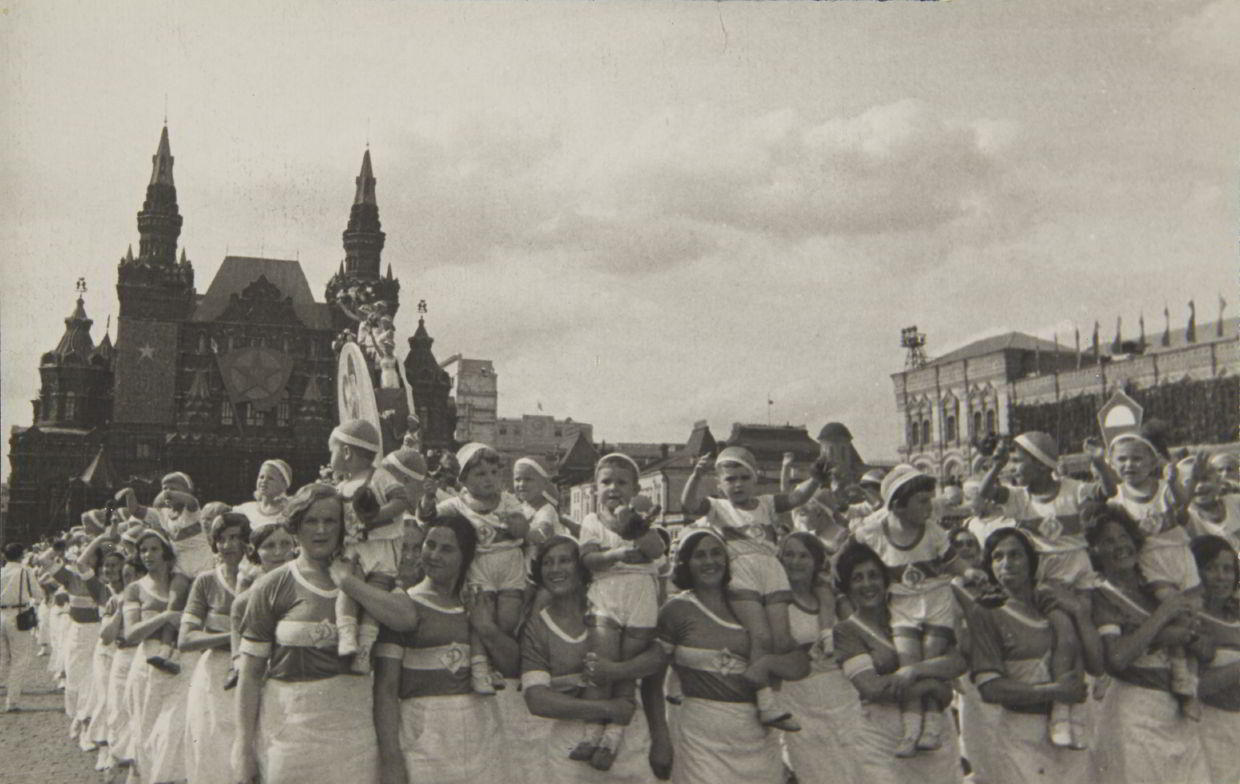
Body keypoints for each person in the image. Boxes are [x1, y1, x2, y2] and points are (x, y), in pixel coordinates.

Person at [329, 512, 515, 784]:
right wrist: (391, 759)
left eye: (447, 549)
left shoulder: (475, 603)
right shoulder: (402, 604)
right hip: (425, 734)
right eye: (430, 544)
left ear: (465, 556)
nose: (434, 555)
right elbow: (386, 689)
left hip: (480, 730)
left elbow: (512, 666)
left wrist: (486, 627)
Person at [234, 482, 379, 784]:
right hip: (290, 736)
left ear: (343, 527)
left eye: (330, 521)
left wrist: (353, 585)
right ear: (296, 526)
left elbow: (405, 620)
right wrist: (244, 749)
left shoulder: (366, 581)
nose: (321, 530)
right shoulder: (271, 585)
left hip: (354, 737)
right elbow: (249, 676)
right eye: (311, 521)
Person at [680, 445, 826, 731]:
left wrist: (816, 479)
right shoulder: (718, 507)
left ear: (755, 479)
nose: (737, 485)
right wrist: (695, 475)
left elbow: (797, 497)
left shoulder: (767, 503)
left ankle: (769, 691)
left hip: (772, 573)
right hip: (741, 575)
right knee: (760, 635)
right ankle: (765, 702)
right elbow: (688, 503)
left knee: (782, 640)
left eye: (743, 478)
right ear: (720, 485)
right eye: (730, 479)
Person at [978, 432, 1110, 745]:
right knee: (1064, 634)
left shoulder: (1073, 489)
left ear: (1040, 464)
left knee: (1081, 634)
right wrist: (994, 465)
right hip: (1048, 581)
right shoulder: (1019, 498)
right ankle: (1062, 708)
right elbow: (984, 495)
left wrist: (1098, 463)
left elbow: (1108, 490)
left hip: (1078, 576)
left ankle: (1076, 703)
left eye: (1018, 460)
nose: (1013, 467)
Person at [653, 529, 800, 783]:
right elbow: (652, 682)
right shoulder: (675, 611)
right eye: (700, 555)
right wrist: (660, 738)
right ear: (685, 563)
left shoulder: (749, 605)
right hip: (700, 739)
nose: (710, 561)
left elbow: (799, 663)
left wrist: (768, 664)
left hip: (755, 737)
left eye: (716, 553)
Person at [520, 535, 664, 783]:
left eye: (565, 560)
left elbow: (658, 655)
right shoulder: (537, 626)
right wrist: (607, 708)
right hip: (571, 749)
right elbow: (537, 700)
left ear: (582, 566)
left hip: (628, 740)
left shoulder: (611, 603)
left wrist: (616, 671)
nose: (555, 569)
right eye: (547, 563)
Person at [1086, 503, 1211, 784]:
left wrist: (1188, 635)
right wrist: (1162, 621)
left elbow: (1205, 650)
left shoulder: (1156, 588)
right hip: (1134, 711)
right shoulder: (1099, 596)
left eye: (1123, 537)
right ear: (1094, 550)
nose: (1119, 546)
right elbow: (1117, 659)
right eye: (1107, 541)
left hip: (1178, 708)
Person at [851, 464, 965, 755]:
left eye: (930, 499)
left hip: (937, 602)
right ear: (899, 507)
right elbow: (848, 555)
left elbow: (956, 565)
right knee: (907, 664)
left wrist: (971, 574)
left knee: (929, 659)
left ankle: (931, 724)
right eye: (923, 501)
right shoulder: (875, 533)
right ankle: (911, 728)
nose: (930, 506)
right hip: (902, 606)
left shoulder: (934, 532)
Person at [966, 527, 1093, 783]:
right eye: (998, 557)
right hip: (1022, 736)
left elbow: (1096, 664)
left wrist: (1078, 613)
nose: (1007, 564)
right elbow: (990, 689)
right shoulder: (985, 613)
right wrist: (1055, 691)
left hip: (1073, 731)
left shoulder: (1053, 605)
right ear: (989, 566)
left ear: (1031, 561)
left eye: (1015, 555)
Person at [832, 541, 965, 784]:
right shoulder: (846, 631)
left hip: (935, 734)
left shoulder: (913, 614)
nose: (867, 584)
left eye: (873, 575)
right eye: (857, 578)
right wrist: (936, 686)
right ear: (848, 588)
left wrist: (914, 670)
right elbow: (871, 687)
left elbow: (957, 662)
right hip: (884, 739)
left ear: (886, 581)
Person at [1106, 421, 1207, 719]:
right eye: (1122, 459)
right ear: (1113, 464)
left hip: (1181, 557)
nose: (1129, 465)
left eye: (1137, 458)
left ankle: (1192, 680)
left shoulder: (1164, 488)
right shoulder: (1117, 499)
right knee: (1173, 611)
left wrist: (1180, 481)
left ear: (1152, 461)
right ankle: (1180, 677)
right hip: (1153, 564)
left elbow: (1180, 510)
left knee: (1195, 615)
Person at [578, 452, 667, 768]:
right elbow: (588, 559)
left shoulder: (642, 523)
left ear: (635, 489)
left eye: (621, 482)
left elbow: (657, 552)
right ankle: (592, 731)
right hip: (606, 593)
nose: (613, 488)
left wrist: (637, 528)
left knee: (627, 669)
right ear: (595, 487)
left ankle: (612, 738)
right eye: (606, 481)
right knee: (602, 663)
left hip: (640, 594)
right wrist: (616, 554)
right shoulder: (592, 521)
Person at [777, 531, 865, 783]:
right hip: (800, 703)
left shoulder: (831, 597)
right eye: (789, 555)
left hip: (844, 701)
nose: (795, 561)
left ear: (816, 561)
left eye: (804, 556)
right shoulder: (775, 602)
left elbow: (859, 635)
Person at [329, 419, 410, 673]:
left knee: (375, 597)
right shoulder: (342, 486)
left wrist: (377, 517)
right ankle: (347, 635)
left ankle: (365, 649)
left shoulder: (381, 477)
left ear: (346, 452)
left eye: (332, 450)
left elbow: (401, 500)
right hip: (354, 549)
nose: (330, 456)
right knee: (348, 591)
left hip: (380, 549)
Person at [180, 512, 249, 784]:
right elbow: (185, 639)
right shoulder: (205, 582)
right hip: (214, 674)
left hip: (253, 673)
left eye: (235, 538)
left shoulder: (261, 579)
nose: (228, 545)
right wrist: (232, 637)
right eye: (221, 539)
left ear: (247, 541)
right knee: (212, 749)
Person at [125, 527, 192, 784]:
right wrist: (164, 616)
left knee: (173, 728)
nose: (148, 555)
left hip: (178, 662)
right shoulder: (134, 589)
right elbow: (131, 634)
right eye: (143, 550)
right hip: (146, 663)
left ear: (165, 552)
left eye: (154, 549)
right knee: (146, 728)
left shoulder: (184, 582)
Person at [1190, 534, 1240, 783]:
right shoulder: (1192, 621)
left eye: (1228, 569)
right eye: (1210, 568)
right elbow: (1195, 686)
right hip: (1211, 729)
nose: (1221, 577)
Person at [1, 542, 40, 713]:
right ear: (21, 555)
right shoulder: (25, 571)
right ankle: (12, 701)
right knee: (19, 659)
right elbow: (38, 594)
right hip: (18, 614)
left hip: (1, 614)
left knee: (3, 658)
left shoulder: (1, 571)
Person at [233, 459, 293, 532]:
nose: (264, 481)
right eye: (261, 477)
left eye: (270, 478)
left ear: (283, 485)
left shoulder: (290, 511)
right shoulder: (247, 509)